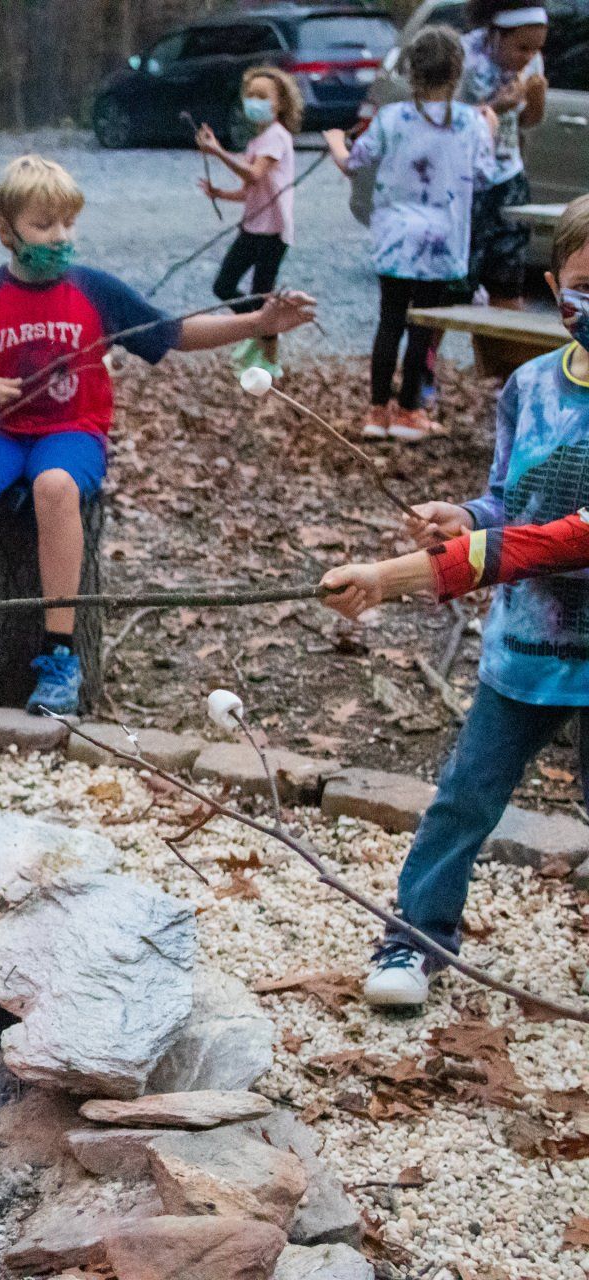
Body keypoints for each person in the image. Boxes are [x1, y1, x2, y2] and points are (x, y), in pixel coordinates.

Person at [0, 155, 314, 716]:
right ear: (5, 230)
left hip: (72, 430)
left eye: (68, 224)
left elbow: (173, 333)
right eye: (43, 225)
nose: (60, 237)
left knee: (56, 488)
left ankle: (59, 653)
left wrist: (257, 323)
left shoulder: (95, 291)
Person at [318, 194, 589, 1011]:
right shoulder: (530, 387)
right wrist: (465, 517)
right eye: (586, 284)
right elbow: (513, 502)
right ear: (555, 284)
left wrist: (395, 576)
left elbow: (560, 541)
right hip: (526, 651)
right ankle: (416, 935)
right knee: (464, 799)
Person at [326, 25, 499, 444]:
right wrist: (491, 133)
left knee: (389, 321)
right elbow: (484, 175)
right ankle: (409, 410)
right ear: (457, 71)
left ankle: (376, 410)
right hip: (442, 240)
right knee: (423, 325)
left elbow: (353, 162)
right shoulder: (471, 122)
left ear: (411, 70)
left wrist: (335, 142)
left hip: (395, 237)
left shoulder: (391, 118)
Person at [197, 66, 301, 376]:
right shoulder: (257, 142)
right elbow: (249, 191)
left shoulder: (277, 138)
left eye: (262, 96)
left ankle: (270, 359)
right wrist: (219, 193)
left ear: (279, 103)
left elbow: (254, 174)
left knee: (262, 295)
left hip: (274, 232)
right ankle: (258, 330)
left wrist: (217, 151)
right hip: (252, 228)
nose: (254, 101)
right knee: (224, 285)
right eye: (250, 95)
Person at [459, 1, 549, 309]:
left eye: (536, 49)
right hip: (465, 182)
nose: (529, 57)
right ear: (496, 34)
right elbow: (444, 121)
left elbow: (527, 121)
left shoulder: (532, 62)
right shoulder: (463, 56)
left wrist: (537, 99)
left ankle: (499, 343)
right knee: (455, 286)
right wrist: (494, 107)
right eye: (521, 48)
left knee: (507, 282)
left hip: (508, 177)